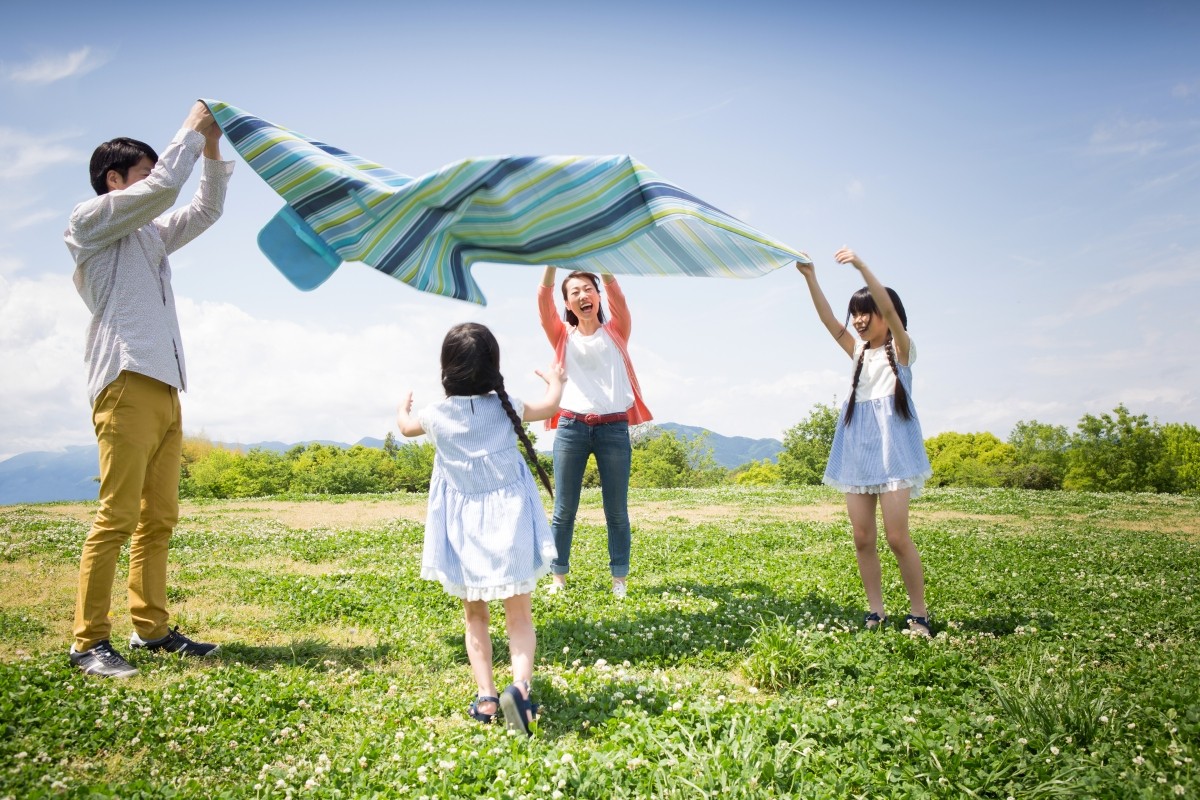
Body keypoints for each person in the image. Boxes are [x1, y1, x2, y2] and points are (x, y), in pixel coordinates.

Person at [63, 101, 234, 678]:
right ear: (115, 181)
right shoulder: (89, 220)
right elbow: (164, 190)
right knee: (116, 517)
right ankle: (88, 643)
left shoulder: (151, 237)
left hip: (165, 386)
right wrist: (191, 124)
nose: (153, 182)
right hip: (125, 381)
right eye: (142, 172)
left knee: (158, 517)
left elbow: (205, 210)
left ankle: (151, 631)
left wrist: (210, 146)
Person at [396, 322, 564, 735]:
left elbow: (404, 427)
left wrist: (403, 406)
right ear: (494, 366)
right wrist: (555, 380)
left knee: (475, 617)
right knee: (519, 618)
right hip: (511, 527)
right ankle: (520, 690)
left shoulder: (435, 416)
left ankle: (487, 698)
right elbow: (551, 406)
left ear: (447, 368)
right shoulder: (507, 407)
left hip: (464, 534)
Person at [797, 248, 933, 637]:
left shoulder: (903, 351)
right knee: (862, 537)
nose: (857, 320)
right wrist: (811, 278)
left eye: (865, 311)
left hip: (894, 454)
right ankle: (876, 611)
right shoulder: (857, 352)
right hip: (858, 449)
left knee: (896, 537)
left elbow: (890, 312)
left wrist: (861, 267)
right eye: (854, 312)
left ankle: (919, 615)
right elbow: (828, 321)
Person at [537, 267, 652, 598]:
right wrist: (550, 264)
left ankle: (619, 580)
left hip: (613, 428)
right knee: (563, 509)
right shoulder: (562, 337)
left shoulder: (617, 331)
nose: (583, 295)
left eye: (589, 289)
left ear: (598, 296)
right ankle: (558, 577)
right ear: (568, 304)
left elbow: (620, 299)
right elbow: (543, 303)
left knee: (616, 510)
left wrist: (605, 262)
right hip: (571, 428)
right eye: (575, 292)